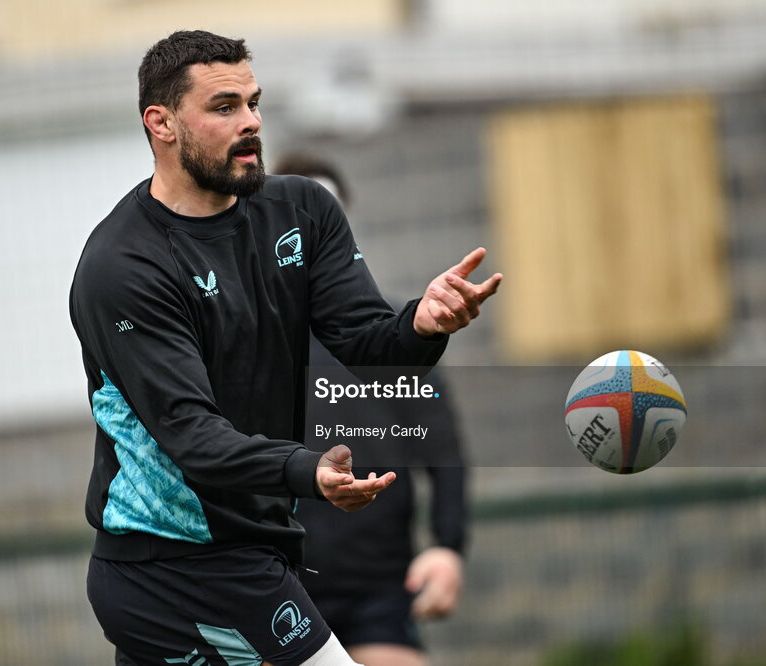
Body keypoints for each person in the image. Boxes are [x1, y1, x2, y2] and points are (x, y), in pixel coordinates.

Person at [69, 30, 500, 666]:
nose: (251, 122)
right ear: (160, 124)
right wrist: (308, 470)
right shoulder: (124, 267)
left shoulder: (302, 209)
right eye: (223, 107)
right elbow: (192, 436)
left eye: (253, 102)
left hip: (256, 550)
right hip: (176, 563)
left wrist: (423, 325)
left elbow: (370, 347)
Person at [274, 153, 467, 666]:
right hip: (277, 587)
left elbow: (445, 454)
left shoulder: (394, 337)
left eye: (324, 213)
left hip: (377, 587)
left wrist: (448, 546)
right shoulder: (246, 343)